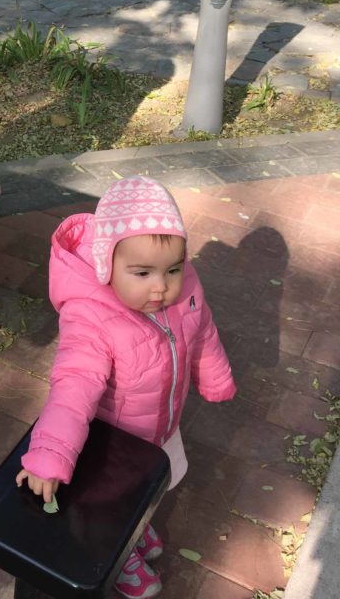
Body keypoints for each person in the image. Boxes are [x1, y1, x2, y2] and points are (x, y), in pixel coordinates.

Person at [16, 176, 236, 599]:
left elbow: (202, 332)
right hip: (114, 440)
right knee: (107, 506)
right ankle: (119, 554)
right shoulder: (92, 318)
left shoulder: (184, 289)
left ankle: (136, 525)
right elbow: (73, 386)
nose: (161, 286)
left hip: (160, 426)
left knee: (154, 483)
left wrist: (215, 376)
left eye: (172, 269)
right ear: (106, 265)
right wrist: (49, 453)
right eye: (142, 273)